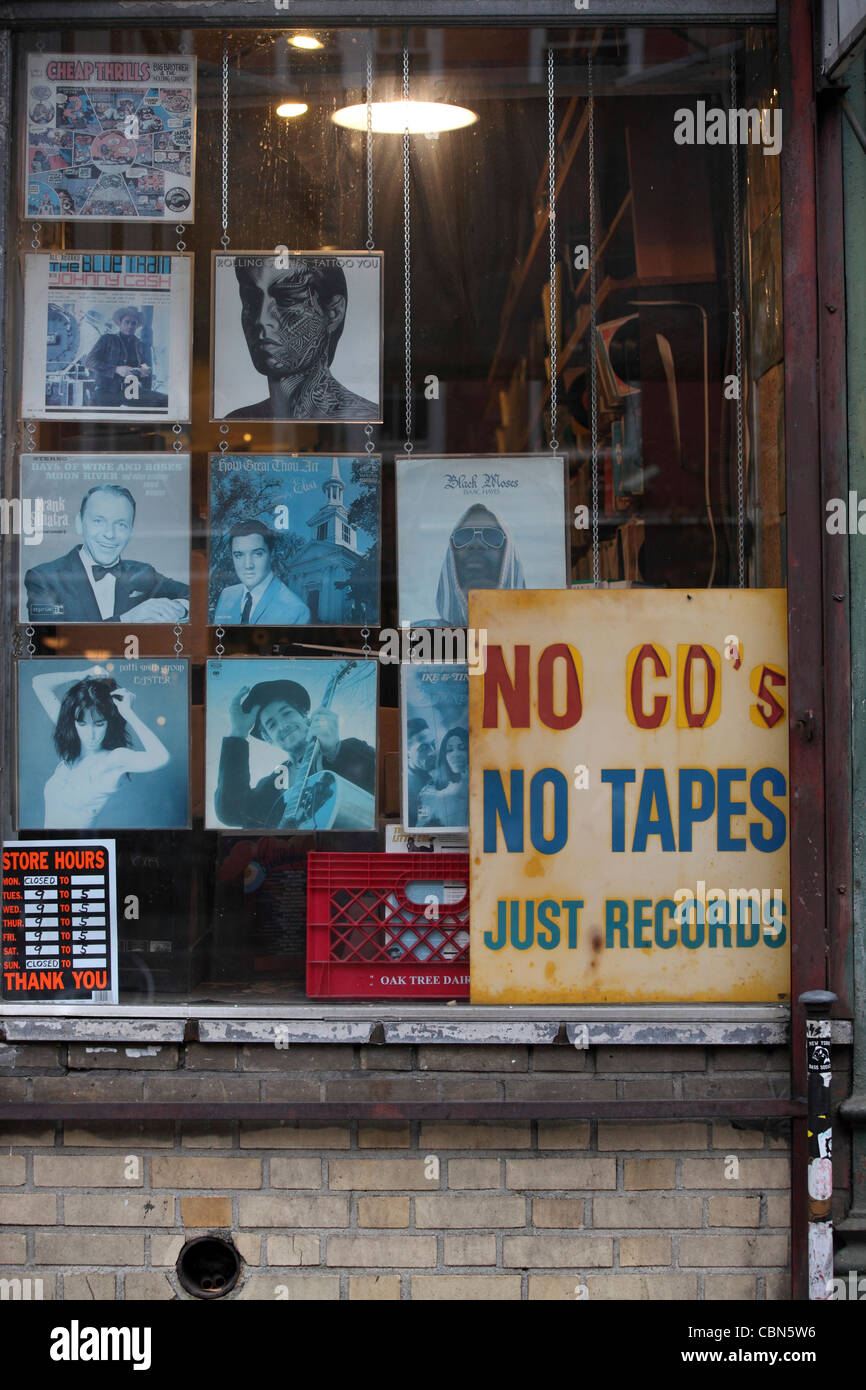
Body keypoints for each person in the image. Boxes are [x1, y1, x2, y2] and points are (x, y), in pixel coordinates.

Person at [224, 256, 377, 421]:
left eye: (287, 299)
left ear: (333, 313)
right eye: (251, 299)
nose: (261, 319)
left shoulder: (366, 419)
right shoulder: (239, 421)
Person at [215, 677, 375, 829]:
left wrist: (334, 752)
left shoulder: (351, 749)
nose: (283, 725)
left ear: (305, 717)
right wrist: (238, 732)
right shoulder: (272, 784)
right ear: (270, 740)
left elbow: (379, 788)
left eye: (287, 713)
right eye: (271, 725)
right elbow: (231, 812)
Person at [24, 483, 189, 623]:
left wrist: (179, 608)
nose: (110, 534)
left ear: (131, 531)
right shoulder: (43, 578)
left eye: (121, 524)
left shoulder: (143, 573)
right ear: (79, 523)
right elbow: (50, 640)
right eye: (98, 521)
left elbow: (196, 595)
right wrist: (127, 620)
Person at [31, 666, 170, 829]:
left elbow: (161, 758)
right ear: (74, 723)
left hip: (80, 851)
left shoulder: (113, 760)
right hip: (52, 849)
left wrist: (127, 712)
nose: (90, 734)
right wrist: (80, 674)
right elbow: (38, 683)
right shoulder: (74, 748)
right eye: (82, 724)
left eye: (99, 724)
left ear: (109, 723)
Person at [432, 504, 526, 626]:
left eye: (492, 536)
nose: (476, 543)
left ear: (508, 556)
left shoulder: (539, 636)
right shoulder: (422, 637)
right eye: (464, 536)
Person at [213, 520, 309, 625]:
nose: (248, 565)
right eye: (239, 555)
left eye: (257, 554)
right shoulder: (226, 595)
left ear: (271, 555)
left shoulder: (296, 611)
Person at [84, 306, 167, 409]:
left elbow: (144, 364)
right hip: (107, 391)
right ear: (120, 323)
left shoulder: (139, 344)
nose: (130, 326)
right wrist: (116, 369)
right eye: (126, 322)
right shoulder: (107, 339)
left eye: (133, 323)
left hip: (130, 391)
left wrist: (145, 370)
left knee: (165, 400)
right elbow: (89, 361)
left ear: (137, 326)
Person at [416, 727, 469, 828]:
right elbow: (420, 828)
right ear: (444, 755)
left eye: (462, 748)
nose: (456, 755)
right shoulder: (429, 793)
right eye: (449, 750)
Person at [405, 716, 436, 825]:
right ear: (407, 751)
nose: (432, 752)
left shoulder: (444, 765)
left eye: (433, 744)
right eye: (423, 748)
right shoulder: (407, 788)